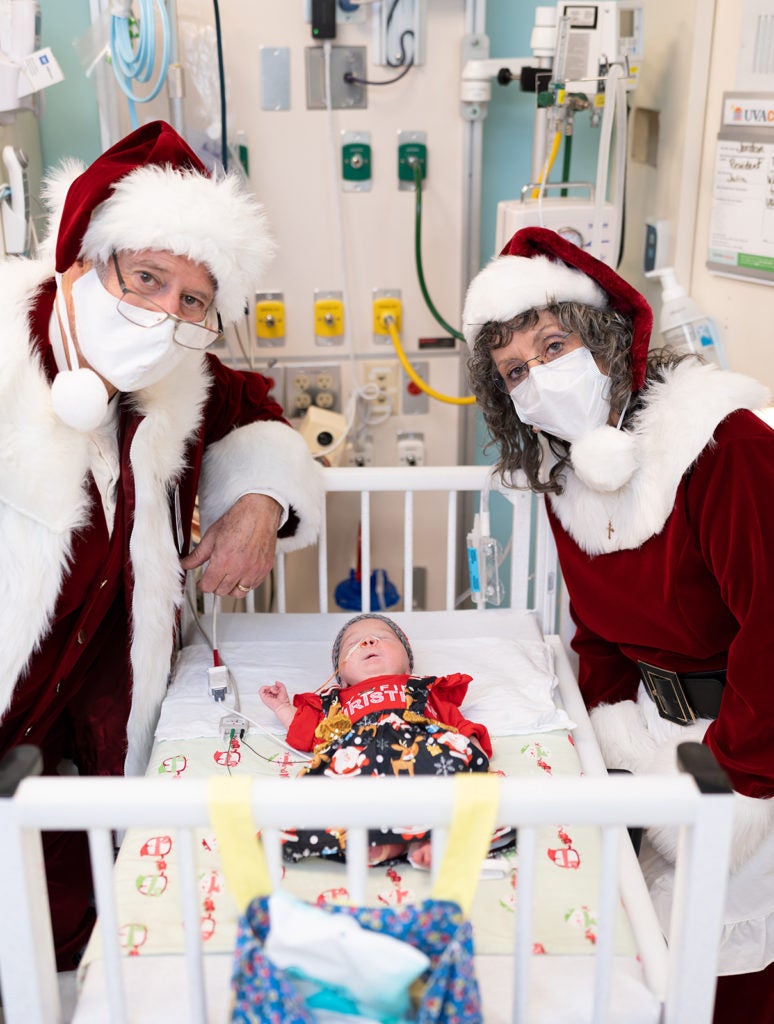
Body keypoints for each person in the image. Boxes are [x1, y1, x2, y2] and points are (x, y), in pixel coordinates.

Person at [0, 120, 324, 969]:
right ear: (81, 258)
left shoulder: (176, 382)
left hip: (84, 745)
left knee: (76, 959)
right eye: (145, 278)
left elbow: (258, 418)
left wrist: (256, 502)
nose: (161, 315)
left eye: (191, 300)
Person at [462, 225, 774, 1023]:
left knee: (728, 974)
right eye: (516, 371)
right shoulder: (570, 477)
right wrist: (604, 731)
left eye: (554, 344)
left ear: (606, 338)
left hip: (750, 745)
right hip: (651, 731)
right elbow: (598, 636)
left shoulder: (723, 448)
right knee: (645, 966)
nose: (540, 378)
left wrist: (733, 779)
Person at [259, 613, 494, 867]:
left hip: (416, 750)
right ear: (343, 676)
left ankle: (430, 835)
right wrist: (282, 707)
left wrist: (473, 757)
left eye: (383, 638)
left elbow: (459, 727)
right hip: (357, 757)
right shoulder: (336, 701)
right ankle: (388, 842)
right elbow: (305, 732)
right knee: (333, 794)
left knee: (443, 784)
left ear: (407, 666)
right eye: (353, 643)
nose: (369, 642)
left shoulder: (424, 689)